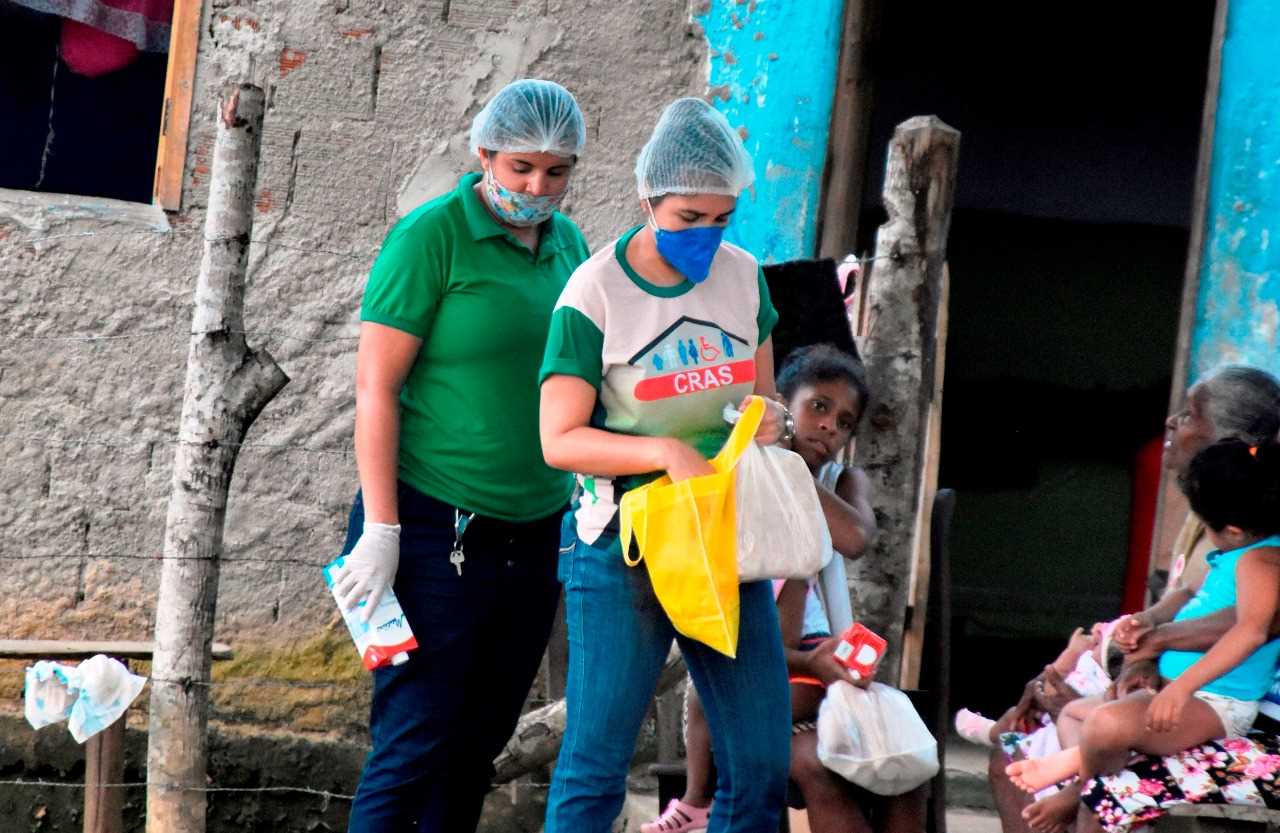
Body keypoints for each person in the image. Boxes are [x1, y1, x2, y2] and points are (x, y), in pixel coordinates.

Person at [332, 79, 590, 833]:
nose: (537, 187)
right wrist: (383, 529)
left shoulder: (567, 243)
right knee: (414, 742)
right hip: (430, 526)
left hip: (536, 530)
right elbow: (376, 389)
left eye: (556, 170)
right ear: (484, 155)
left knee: (476, 745)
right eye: (520, 168)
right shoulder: (430, 236)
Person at [539, 97, 792, 833]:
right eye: (688, 218)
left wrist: (768, 420)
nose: (706, 237)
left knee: (762, 762)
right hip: (623, 539)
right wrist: (660, 449)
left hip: (722, 538)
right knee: (597, 760)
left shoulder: (745, 278)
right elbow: (560, 439)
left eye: (722, 219)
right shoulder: (594, 290)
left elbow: (763, 399)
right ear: (649, 199)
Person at [983, 365, 1280, 833]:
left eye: (1189, 415)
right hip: (1186, 694)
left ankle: (1075, 781)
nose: (1172, 424)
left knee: (1102, 784)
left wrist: (1158, 648)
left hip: (1235, 713)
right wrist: (1142, 647)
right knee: (1038, 736)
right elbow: (1188, 593)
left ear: (1232, 439)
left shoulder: (1258, 553)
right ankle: (1075, 773)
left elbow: (1252, 624)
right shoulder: (1223, 520)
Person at [641, 343, 888, 833]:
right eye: (818, 407)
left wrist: (786, 467)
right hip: (757, 641)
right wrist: (765, 453)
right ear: (778, 403)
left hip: (816, 650)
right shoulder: (741, 465)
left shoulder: (841, 479)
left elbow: (855, 536)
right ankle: (698, 801)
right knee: (707, 700)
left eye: (844, 422)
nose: (829, 428)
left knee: (732, 710)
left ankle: (710, 798)